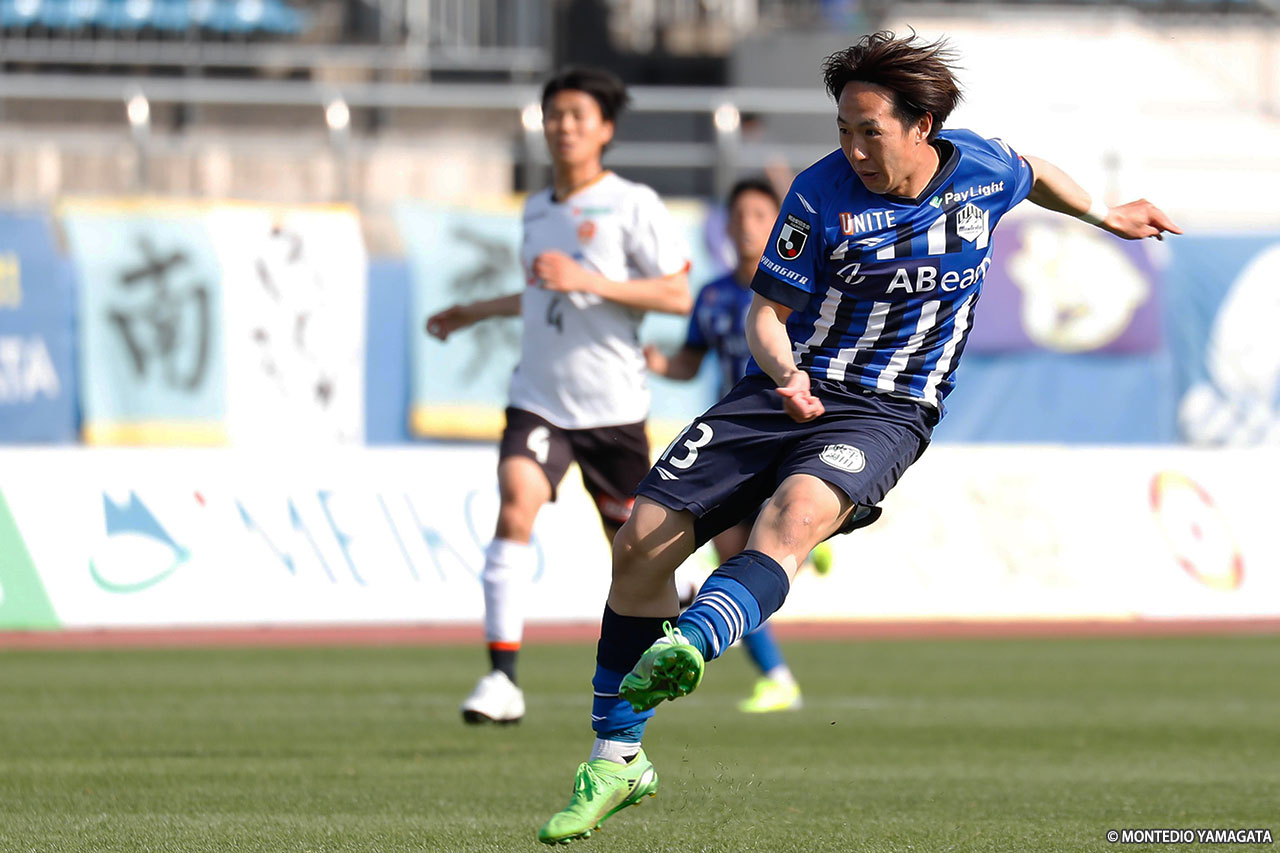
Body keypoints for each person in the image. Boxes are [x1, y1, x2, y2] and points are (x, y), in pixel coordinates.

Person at [537, 31, 1180, 844]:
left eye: (869, 130)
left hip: (889, 409)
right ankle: (617, 760)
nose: (854, 148)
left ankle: (693, 642)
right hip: (785, 389)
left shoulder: (981, 169)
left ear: (923, 126)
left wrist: (1103, 214)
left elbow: (1037, 170)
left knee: (794, 517)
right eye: (843, 129)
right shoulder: (819, 193)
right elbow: (765, 314)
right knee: (638, 545)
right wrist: (784, 373)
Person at [425, 66, 693, 726]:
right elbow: (544, 292)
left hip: (613, 407)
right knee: (516, 503)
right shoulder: (537, 208)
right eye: (554, 115)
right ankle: (501, 679)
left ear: (605, 129)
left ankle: (684, 598)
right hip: (539, 397)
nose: (563, 126)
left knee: (637, 555)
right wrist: (475, 311)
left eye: (577, 115)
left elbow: (675, 294)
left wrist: (589, 279)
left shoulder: (632, 203)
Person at [647, 177, 810, 714]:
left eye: (759, 215)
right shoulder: (714, 296)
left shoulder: (804, 290)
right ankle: (777, 677)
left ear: (779, 223)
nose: (746, 227)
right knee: (734, 559)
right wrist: (655, 362)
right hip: (737, 441)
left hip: (794, 433)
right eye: (738, 217)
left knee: (774, 536)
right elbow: (689, 362)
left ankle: (817, 542)